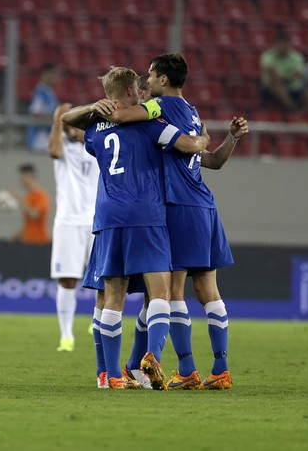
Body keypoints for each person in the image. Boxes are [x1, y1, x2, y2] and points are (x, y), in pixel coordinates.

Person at [104, 53, 249, 390]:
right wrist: (233, 138)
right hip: (205, 206)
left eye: (151, 76)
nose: (146, 82)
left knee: (172, 291)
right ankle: (221, 370)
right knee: (209, 290)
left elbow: (124, 115)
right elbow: (211, 160)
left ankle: (185, 370)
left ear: (164, 80)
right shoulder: (194, 113)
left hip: (177, 206)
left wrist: (102, 108)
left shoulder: (160, 107)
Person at [63, 66, 209, 389]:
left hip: (107, 217)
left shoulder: (95, 129)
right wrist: (203, 139)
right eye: (139, 92)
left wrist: (90, 109)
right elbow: (186, 145)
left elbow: (66, 121)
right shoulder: (149, 125)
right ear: (131, 93)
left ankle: (109, 375)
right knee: (160, 292)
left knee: (109, 298)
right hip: (146, 214)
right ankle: (150, 359)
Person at [47, 102, 99, 353]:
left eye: (73, 126)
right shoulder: (63, 150)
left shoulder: (98, 146)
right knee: (67, 280)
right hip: (68, 221)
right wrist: (57, 120)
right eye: (67, 128)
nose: (71, 132)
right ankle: (66, 336)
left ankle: (98, 319)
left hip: (96, 221)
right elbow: (53, 151)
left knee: (104, 276)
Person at [260, 30, 306, 110]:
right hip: (270, 91)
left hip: (293, 89)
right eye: (281, 44)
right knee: (273, 83)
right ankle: (292, 107)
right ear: (276, 44)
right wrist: (287, 77)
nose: (283, 47)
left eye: (285, 44)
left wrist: (283, 78)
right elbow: (272, 74)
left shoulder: (297, 57)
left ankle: (305, 117)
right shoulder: (267, 56)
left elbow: (297, 74)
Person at [10, 164, 51, 245]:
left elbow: (34, 215)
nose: (22, 180)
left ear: (31, 177)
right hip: (27, 241)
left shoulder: (41, 195)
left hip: (39, 242)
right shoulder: (27, 197)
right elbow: (29, 224)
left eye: (24, 177)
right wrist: (18, 234)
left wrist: (19, 199)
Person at [26, 65, 60, 152]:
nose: (53, 76)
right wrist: (54, 119)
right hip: (39, 138)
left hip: (49, 136)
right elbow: (35, 113)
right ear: (43, 75)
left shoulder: (51, 92)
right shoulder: (39, 92)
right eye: (50, 73)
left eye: (54, 74)